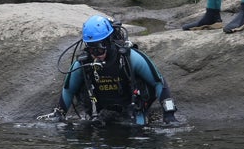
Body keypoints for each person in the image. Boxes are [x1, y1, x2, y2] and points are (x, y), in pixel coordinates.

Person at [42, 14, 177, 125]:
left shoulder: (129, 58)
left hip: (132, 114)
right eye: (91, 49)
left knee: (137, 133)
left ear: (109, 41)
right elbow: (68, 90)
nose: (96, 54)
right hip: (100, 116)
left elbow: (159, 82)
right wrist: (59, 114)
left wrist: (169, 114)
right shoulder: (83, 64)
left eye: (100, 48)